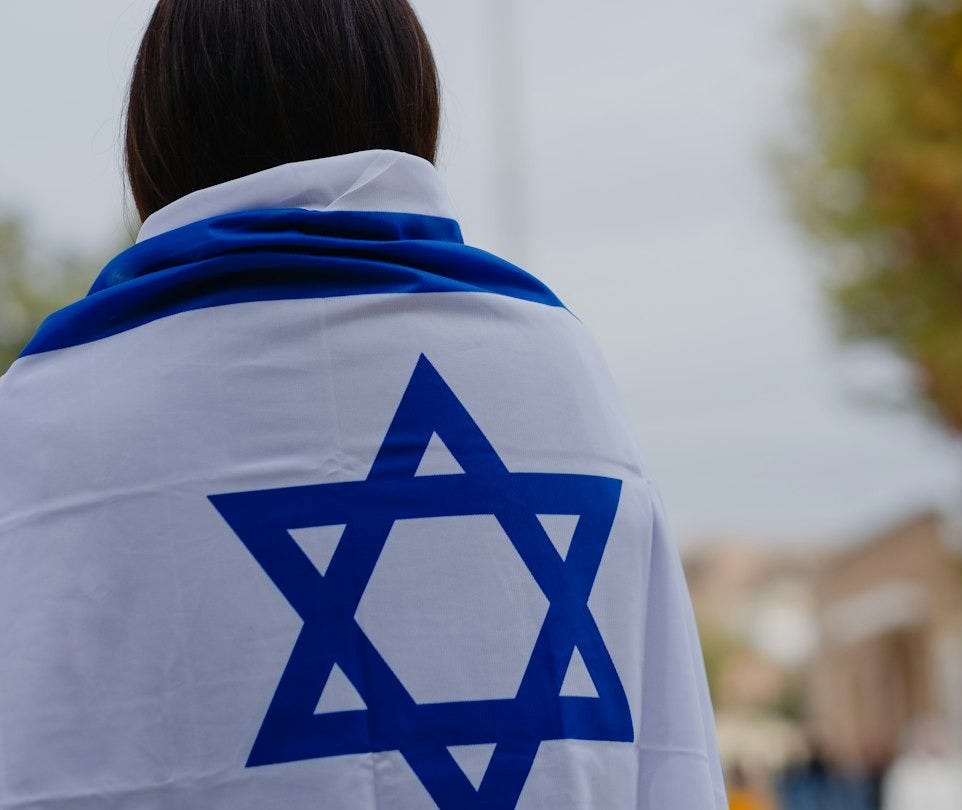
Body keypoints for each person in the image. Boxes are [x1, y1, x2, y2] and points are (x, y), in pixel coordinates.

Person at [0, 1, 726, 809]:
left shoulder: (49, 417)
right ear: (409, 99)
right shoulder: (559, 372)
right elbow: (668, 758)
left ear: (159, 127)